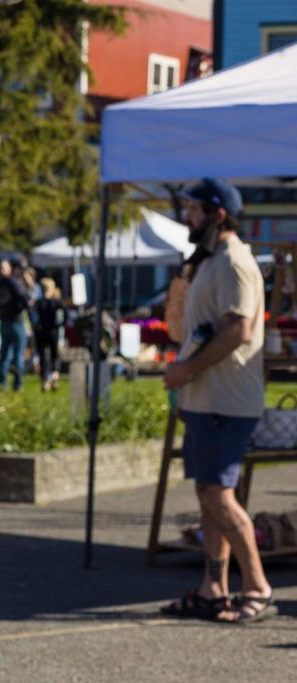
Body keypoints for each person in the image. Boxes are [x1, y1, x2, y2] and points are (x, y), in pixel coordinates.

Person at [162, 178, 275, 624]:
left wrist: (187, 371)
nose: (187, 216)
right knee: (208, 496)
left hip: (227, 402)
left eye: (193, 209)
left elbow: (238, 330)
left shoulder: (234, 261)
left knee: (218, 494)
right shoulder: (210, 261)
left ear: (217, 214)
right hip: (207, 400)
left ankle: (258, 588)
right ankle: (215, 588)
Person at [0, 259, 31, 391]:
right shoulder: (13, 282)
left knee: (4, 355)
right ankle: (17, 383)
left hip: (4, 321)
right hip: (15, 321)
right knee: (18, 354)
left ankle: (2, 383)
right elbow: (24, 298)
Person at [34, 278, 65, 392]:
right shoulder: (57, 303)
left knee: (43, 356)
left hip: (41, 331)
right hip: (53, 331)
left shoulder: (38, 303)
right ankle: (54, 376)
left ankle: (45, 379)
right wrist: (59, 324)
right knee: (54, 355)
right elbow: (64, 316)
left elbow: (32, 316)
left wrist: (35, 327)